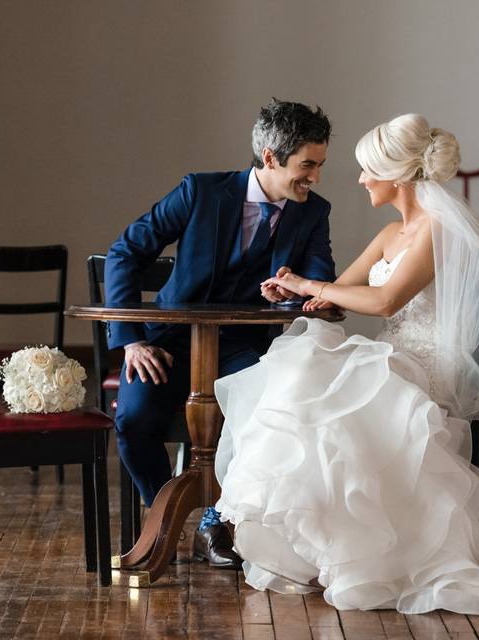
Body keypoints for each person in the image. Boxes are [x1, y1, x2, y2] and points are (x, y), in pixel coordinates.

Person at [214, 114, 479, 612]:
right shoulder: (393, 232)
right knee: (304, 373)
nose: (359, 180)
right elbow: (344, 296)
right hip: (396, 357)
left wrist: (313, 287)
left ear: (395, 175)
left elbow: (388, 300)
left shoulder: (439, 231)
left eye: (366, 170)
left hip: (428, 366)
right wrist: (294, 287)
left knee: (325, 396)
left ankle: (369, 550)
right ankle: (324, 544)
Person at [105, 99, 336, 569]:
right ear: (271, 157)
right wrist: (131, 339)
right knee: (133, 421)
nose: (314, 178)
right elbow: (125, 252)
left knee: (262, 418)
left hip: (245, 346)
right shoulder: (201, 192)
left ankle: (216, 522)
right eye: (306, 165)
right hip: (168, 344)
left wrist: (290, 294)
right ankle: (164, 516)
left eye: (319, 165)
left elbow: (319, 282)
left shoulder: (312, 212)